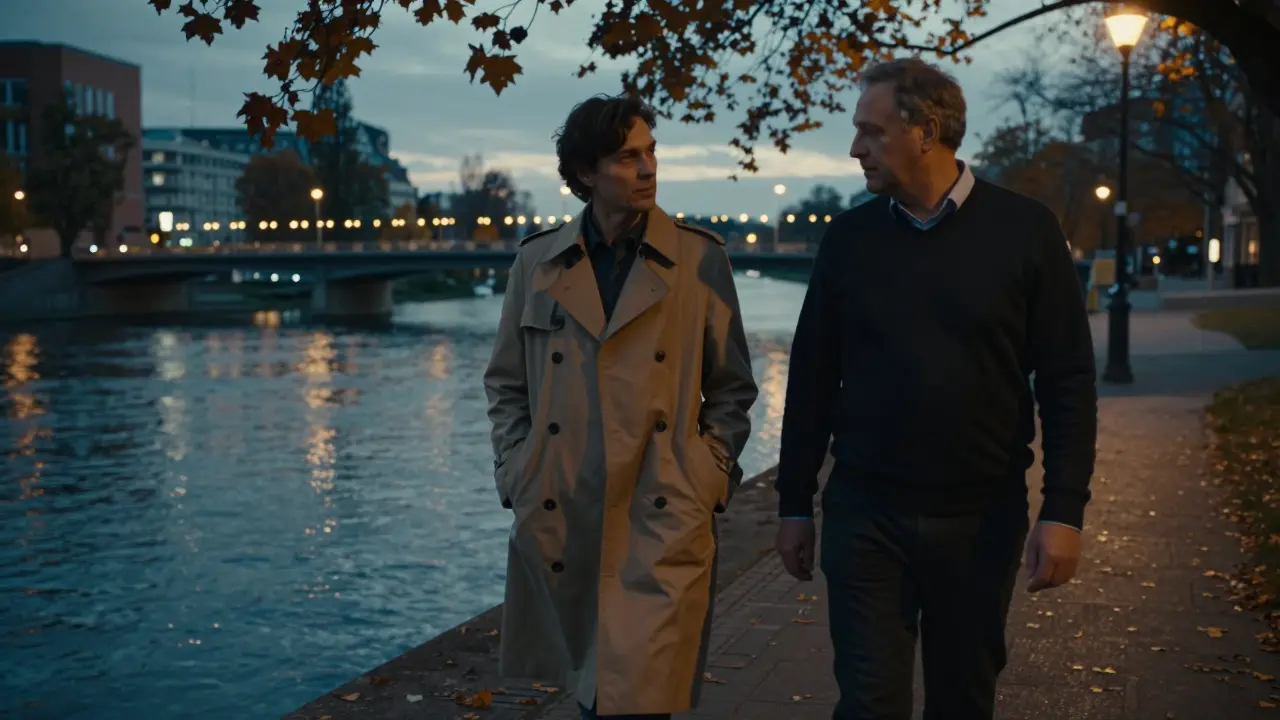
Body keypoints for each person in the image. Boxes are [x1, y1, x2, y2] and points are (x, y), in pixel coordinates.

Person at [773, 58, 1098, 719]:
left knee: (962, 700)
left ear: (925, 131)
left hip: (981, 518)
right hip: (866, 513)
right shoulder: (848, 239)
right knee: (869, 701)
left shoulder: (1026, 231)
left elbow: (1066, 379)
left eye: (870, 131)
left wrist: (1062, 512)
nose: (854, 147)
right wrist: (794, 503)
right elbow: (809, 376)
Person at [483, 93, 759, 720]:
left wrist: (706, 475)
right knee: (593, 692)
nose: (647, 168)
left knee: (638, 696)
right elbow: (505, 383)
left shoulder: (698, 259)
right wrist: (518, 470)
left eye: (651, 152)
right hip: (563, 504)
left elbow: (732, 388)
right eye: (628, 157)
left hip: (660, 507)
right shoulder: (537, 262)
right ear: (586, 174)